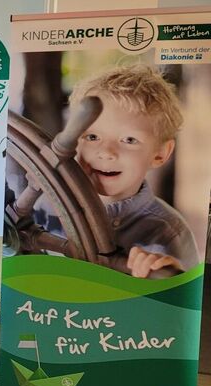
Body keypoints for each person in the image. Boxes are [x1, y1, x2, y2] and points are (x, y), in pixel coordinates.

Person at [40, 64, 197, 278]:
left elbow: (185, 294)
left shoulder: (169, 233)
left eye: (129, 140)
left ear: (160, 154)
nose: (106, 152)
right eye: (92, 137)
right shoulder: (43, 204)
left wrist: (168, 276)